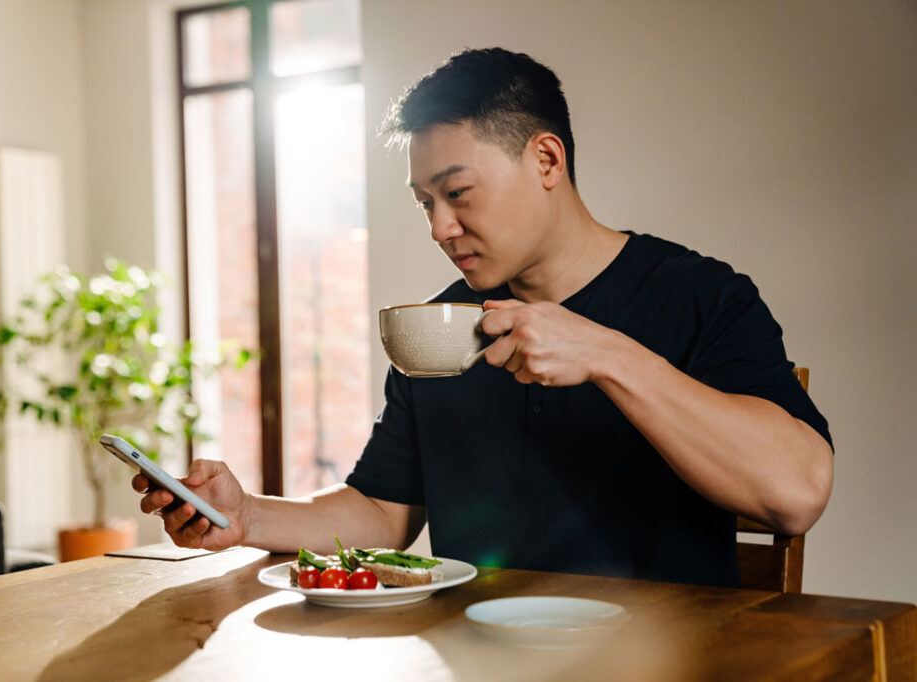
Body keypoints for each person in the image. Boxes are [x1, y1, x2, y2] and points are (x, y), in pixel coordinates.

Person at [134, 48, 833, 587]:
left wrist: (607, 356)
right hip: (478, 657)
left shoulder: (699, 296)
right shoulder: (440, 327)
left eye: (457, 192)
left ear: (547, 160)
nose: (440, 227)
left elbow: (796, 494)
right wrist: (246, 516)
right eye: (423, 203)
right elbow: (383, 512)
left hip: (664, 662)